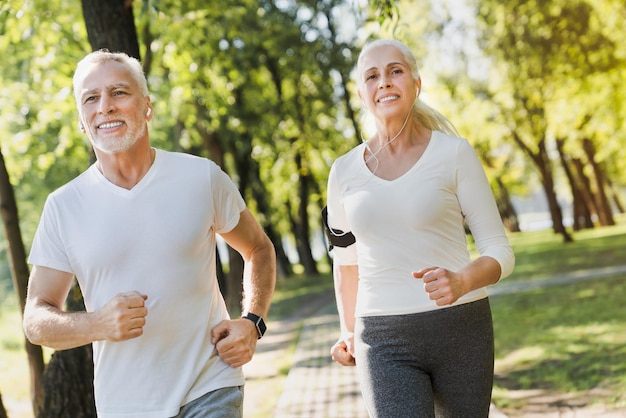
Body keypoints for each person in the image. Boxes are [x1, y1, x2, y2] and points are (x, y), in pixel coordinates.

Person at [22, 49, 276, 418]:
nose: (105, 106)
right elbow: (35, 321)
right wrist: (98, 323)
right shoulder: (64, 207)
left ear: (147, 107)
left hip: (209, 386)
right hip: (125, 404)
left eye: (119, 93)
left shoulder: (201, 178)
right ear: (81, 120)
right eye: (91, 98)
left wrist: (252, 322)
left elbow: (258, 249)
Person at [325, 39, 515, 417]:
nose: (385, 82)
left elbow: (500, 252)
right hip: (382, 339)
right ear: (361, 94)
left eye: (395, 71)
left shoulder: (454, 153)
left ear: (416, 83)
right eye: (372, 76)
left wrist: (463, 280)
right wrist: (348, 330)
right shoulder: (343, 172)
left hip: (461, 329)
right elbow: (346, 262)